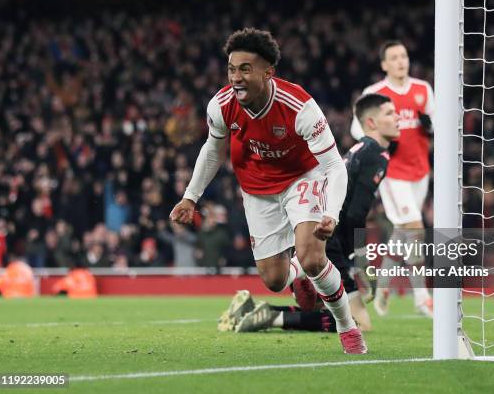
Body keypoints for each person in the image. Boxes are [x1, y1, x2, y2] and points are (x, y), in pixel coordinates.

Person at [169, 28, 366, 354]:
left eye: (246, 69)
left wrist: (331, 212)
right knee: (274, 280)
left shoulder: (299, 106)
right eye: (232, 69)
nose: (236, 77)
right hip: (257, 190)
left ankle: (347, 327)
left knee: (313, 257)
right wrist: (191, 196)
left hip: (301, 178)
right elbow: (213, 149)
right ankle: (298, 275)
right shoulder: (221, 105)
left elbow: (334, 166)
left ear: (268, 72)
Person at [230, 93, 401, 334]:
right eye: (390, 113)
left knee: (330, 307)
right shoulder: (375, 155)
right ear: (371, 122)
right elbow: (354, 214)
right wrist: (361, 262)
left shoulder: (360, 150)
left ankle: (264, 311)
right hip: (331, 240)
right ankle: (274, 316)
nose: (398, 118)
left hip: (323, 233)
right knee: (359, 322)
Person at [350, 40, 435, 317]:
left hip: (420, 170)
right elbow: (356, 127)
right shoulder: (375, 94)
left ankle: (383, 285)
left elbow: (436, 123)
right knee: (414, 226)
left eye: (404, 56)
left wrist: (430, 126)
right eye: (394, 57)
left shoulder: (423, 89)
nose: (401, 61)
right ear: (384, 64)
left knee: (403, 232)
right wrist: (382, 142)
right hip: (392, 172)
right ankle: (423, 297)